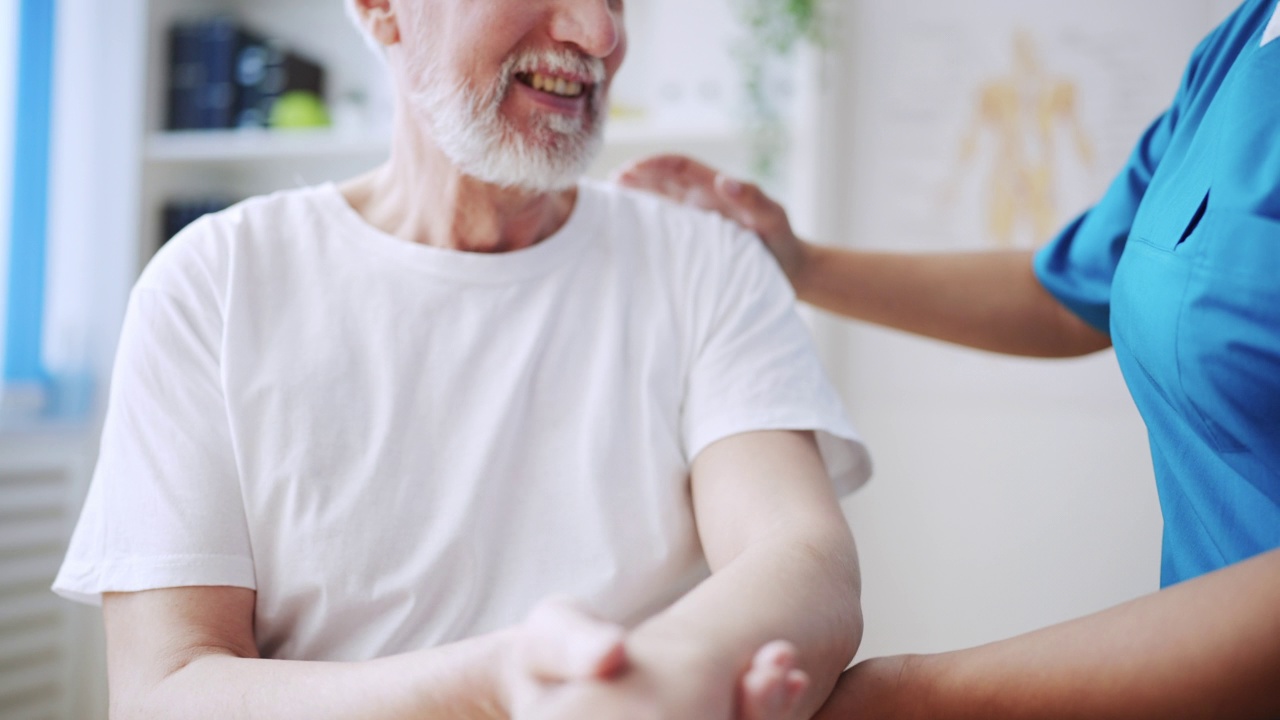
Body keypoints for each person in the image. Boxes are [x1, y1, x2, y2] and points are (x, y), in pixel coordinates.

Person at [51, 0, 874, 718]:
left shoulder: (707, 263)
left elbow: (802, 559)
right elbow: (165, 691)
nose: (599, 32)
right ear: (379, 5)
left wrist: (658, 678)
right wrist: (495, 684)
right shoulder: (215, 282)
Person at [616, 0, 1280, 717]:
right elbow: (1069, 294)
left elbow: (794, 555)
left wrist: (911, 696)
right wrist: (801, 263)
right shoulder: (1241, 42)